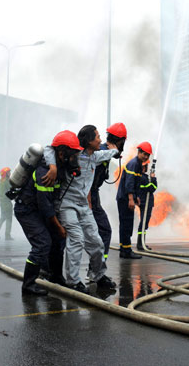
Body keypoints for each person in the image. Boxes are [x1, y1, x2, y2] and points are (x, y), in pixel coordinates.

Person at [43, 125, 119, 293]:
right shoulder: (74, 154)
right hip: (67, 204)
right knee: (76, 239)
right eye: (97, 137)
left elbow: (109, 153)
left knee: (97, 242)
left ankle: (98, 275)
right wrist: (53, 167)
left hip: (83, 206)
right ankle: (73, 281)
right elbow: (49, 149)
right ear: (89, 141)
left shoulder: (95, 156)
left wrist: (115, 150)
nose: (100, 140)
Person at [13, 131, 75, 295]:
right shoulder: (45, 173)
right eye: (73, 154)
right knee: (42, 243)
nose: (75, 157)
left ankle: (55, 276)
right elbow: (45, 206)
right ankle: (28, 285)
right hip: (26, 210)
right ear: (62, 153)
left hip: (38, 209)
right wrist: (59, 226)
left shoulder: (58, 167)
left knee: (57, 242)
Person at [86, 122, 127, 262]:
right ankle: (98, 268)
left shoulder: (105, 151)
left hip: (91, 195)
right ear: (121, 141)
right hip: (88, 196)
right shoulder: (101, 153)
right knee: (103, 230)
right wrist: (90, 203)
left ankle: (97, 267)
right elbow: (88, 181)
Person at [116, 142, 152, 258]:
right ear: (139, 152)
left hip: (125, 198)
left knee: (125, 224)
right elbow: (129, 183)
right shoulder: (134, 164)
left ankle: (124, 249)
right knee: (127, 225)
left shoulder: (137, 164)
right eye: (144, 154)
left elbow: (134, 183)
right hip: (125, 199)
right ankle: (126, 251)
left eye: (148, 155)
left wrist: (135, 197)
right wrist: (131, 199)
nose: (146, 157)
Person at [135, 157, 158, 251]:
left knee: (144, 223)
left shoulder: (141, 177)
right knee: (144, 223)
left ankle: (141, 243)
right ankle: (140, 244)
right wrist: (153, 178)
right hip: (146, 203)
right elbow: (152, 188)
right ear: (143, 167)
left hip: (144, 202)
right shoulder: (143, 178)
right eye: (146, 166)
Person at [0, 167, 14, 240]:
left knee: (2, 218)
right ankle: (7, 235)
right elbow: (12, 188)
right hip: (6, 204)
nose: (10, 173)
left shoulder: (1, 182)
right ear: (5, 174)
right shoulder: (6, 182)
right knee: (9, 219)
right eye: (8, 172)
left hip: (3, 204)